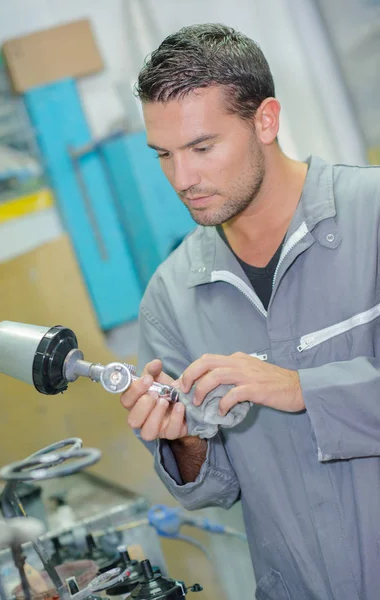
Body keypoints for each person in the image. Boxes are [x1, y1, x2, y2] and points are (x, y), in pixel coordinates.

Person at [120, 23, 380, 600]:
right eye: (164, 154)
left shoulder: (374, 218)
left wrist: (302, 388)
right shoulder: (171, 297)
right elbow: (213, 487)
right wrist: (184, 439)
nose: (183, 179)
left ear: (265, 120)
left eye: (202, 147)